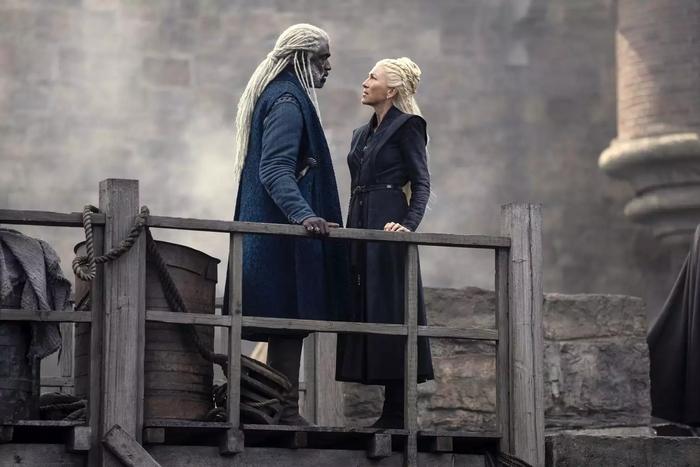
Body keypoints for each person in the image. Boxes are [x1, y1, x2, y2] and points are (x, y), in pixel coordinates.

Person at [224, 24, 349, 426]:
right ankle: (283, 412)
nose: (328, 67)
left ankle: (280, 410)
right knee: (288, 321)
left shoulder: (282, 95)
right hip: (279, 239)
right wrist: (305, 215)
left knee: (287, 325)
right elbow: (275, 169)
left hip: (274, 237)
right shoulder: (287, 102)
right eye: (322, 58)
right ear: (301, 59)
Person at [335, 57, 434, 428]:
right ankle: (388, 411)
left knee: (394, 309)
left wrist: (408, 225)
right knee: (365, 307)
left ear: (390, 89)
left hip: (390, 224)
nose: (364, 82)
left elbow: (421, 183)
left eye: (372, 77)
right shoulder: (360, 134)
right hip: (359, 223)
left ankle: (397, 412)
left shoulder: (409, 126)